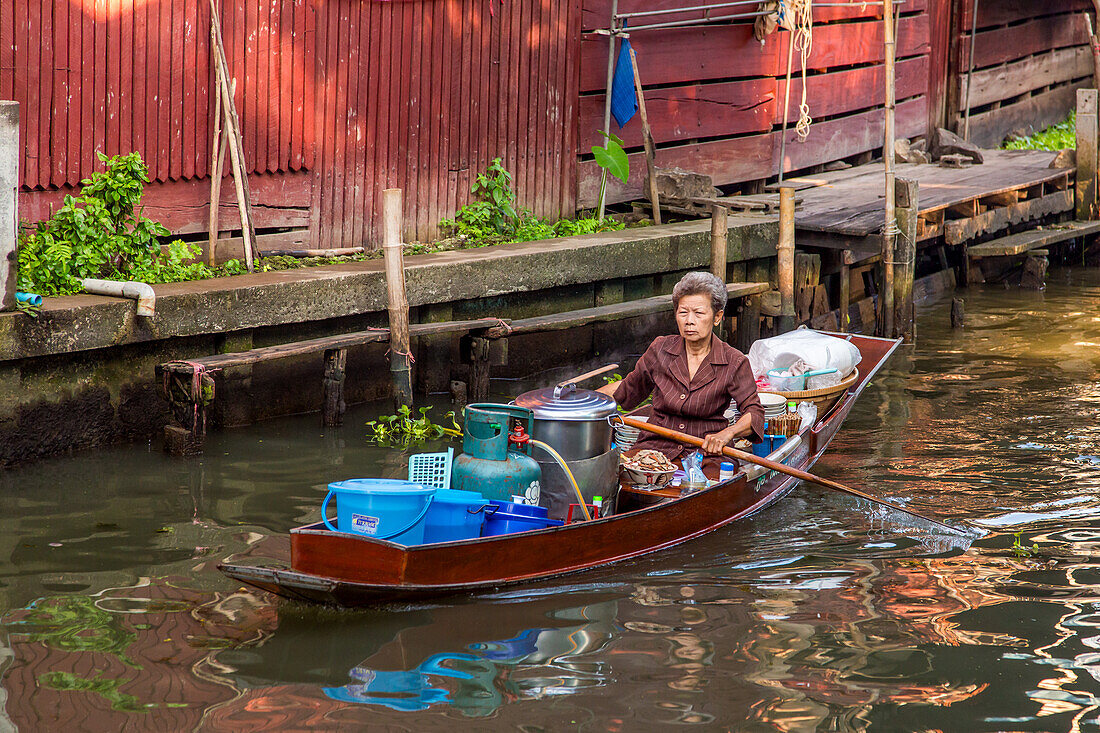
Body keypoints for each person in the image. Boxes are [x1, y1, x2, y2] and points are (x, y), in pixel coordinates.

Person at [598, 271, 764, 461]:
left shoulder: (734, 361)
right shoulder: (660, 349)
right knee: (624, 476)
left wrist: (728, 433)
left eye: (699, 313)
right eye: (683, 312)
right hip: (654, 446)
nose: (689, 321)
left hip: (708, 453)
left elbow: (754, 412)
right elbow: (627, 390)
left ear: (717, 317)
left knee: (708, 484)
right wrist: (583, 399)